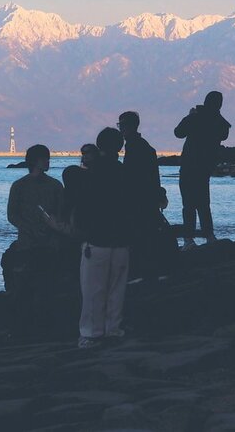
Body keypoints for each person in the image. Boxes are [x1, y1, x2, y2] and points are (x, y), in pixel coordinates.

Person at [74, 128, 132, 348]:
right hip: (121, 239)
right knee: (117, 289)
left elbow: (82, 206)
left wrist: (82, 230)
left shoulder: (91, 174)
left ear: (99, 146)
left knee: (92, 290)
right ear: (120, 146)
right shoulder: (125, 173)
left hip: (96, 239)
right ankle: (113, 329)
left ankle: (91, 333)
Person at [2, 144, 64, 337]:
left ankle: (43, 326)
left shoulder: (55, 186)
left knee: (47, 286)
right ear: (34, 161)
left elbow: (60, 213)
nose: (48, 161)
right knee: (24, 287)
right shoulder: (19, 186)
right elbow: (12, 215)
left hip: (48, 245)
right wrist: (29, 228)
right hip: (27, 244)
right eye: (44, 158)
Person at [175, 91, 231, 247]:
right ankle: (209, 236)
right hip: (204, 169)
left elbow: (178, 133)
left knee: (188, 205)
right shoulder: (219, 123)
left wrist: (190, 116)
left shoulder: (195, 118)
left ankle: (188, 239)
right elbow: (224, 134)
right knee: (204, 204)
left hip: (188, 166)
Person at [118, 111, 168, 279]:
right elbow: (154, 177)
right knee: (147, 235)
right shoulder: (142, 146)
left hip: (139, 201)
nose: (121, 130)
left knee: (140, 235)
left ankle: (142, 271)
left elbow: (134, 177)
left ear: (130, 126)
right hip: (147, 200)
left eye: (122, 126)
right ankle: (150, 270)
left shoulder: (135, 147)